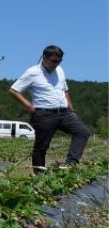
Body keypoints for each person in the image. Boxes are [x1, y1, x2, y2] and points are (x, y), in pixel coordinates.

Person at [8, 45, 91, 174]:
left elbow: (65, 89)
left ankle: (71, 164)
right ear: (45, 58)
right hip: (44, 114)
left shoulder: (60, 70)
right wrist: (29, 106)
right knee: (41, 147)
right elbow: (14, 90)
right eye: (54, 61)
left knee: (83, 132)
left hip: (64, 112)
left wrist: (70, 106)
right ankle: (39, 176)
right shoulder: (32, 72)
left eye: (59, 61)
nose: (56, 64)